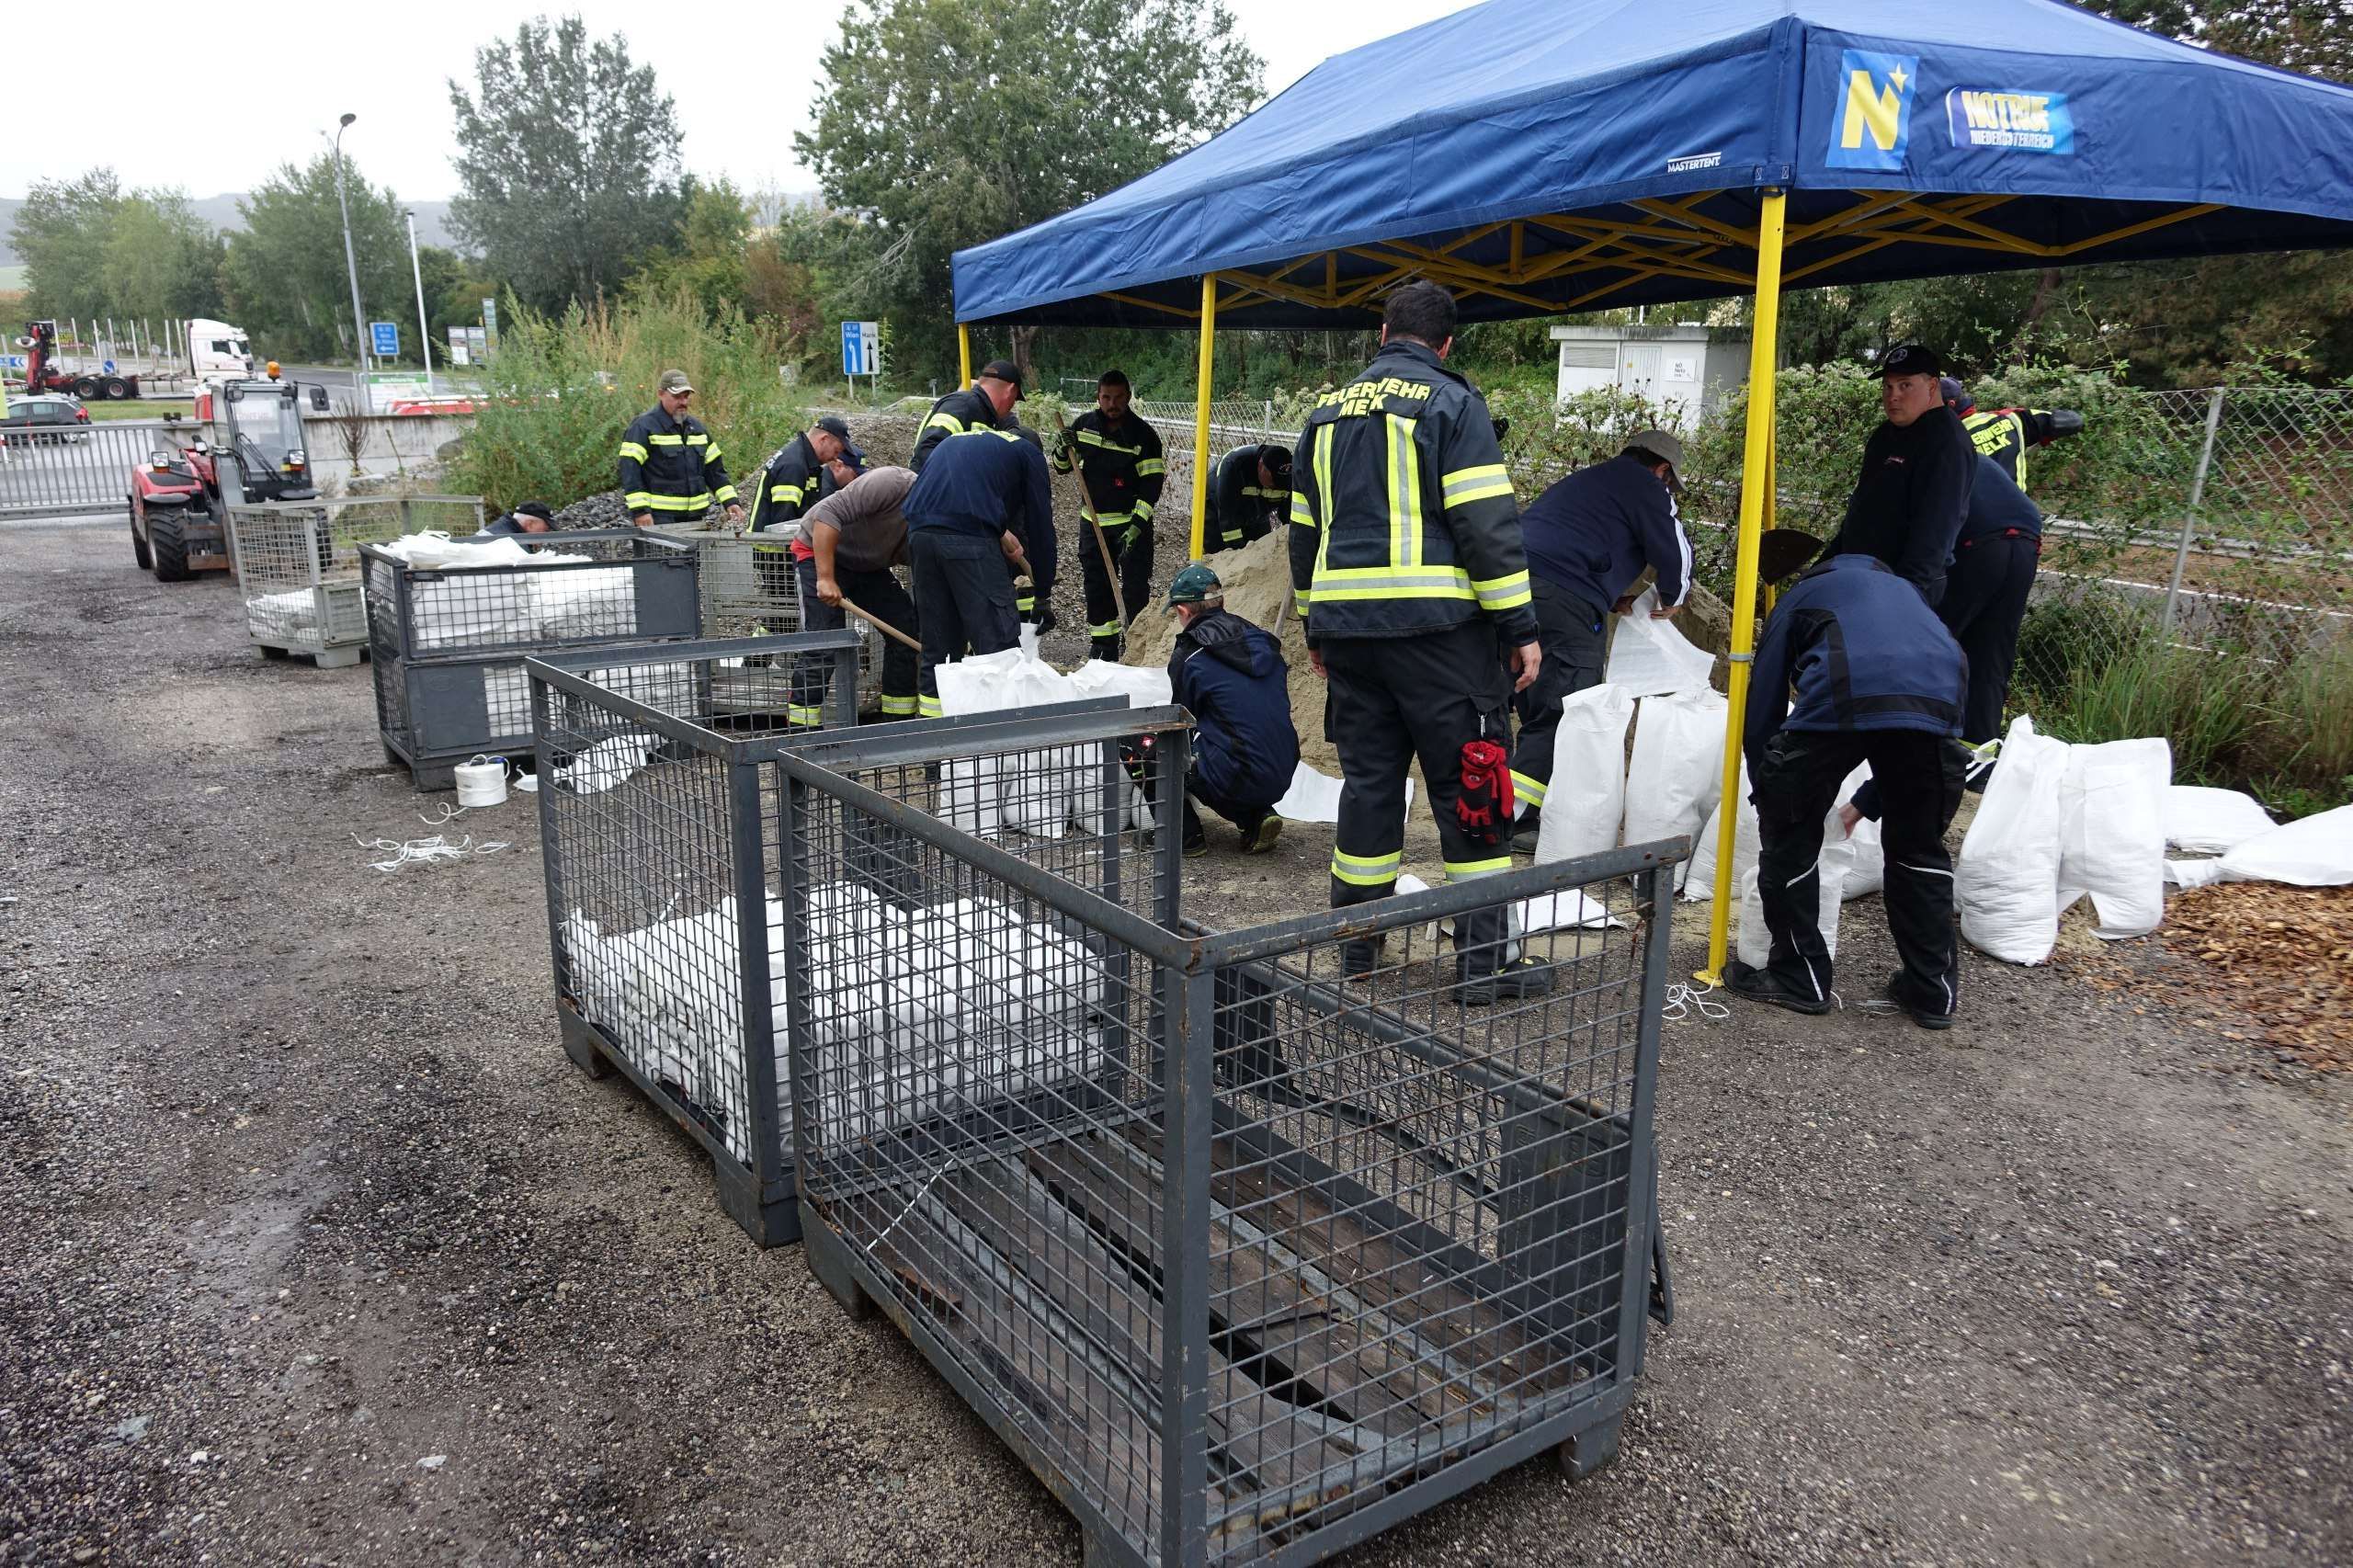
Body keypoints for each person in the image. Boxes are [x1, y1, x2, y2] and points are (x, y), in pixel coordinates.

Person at [1287, 279, 1549, 1002]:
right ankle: (1483, 966)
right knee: (1472, 782)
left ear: (1381, 334)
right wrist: (1520, 629)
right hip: (1440, 637)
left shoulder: (1326, 414)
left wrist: (1316, 624)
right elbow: (1486, 526)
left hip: (1349, 639)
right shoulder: (1452, 405)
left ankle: (1358, 950)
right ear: (1446, 344)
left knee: (1371, 789)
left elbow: (1303, 534)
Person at [1726, 553, 1969, 1029]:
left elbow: (1764, 705)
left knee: (1790, 841)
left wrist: (1770, 793)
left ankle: (1801, 978)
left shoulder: (1801, 597)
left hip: (1841, 693)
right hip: (1939, 701)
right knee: (1918, 850)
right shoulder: (1911, 600)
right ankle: (1931, 993)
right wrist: (1874, 799)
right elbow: (1920, 720)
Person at [1508, 427, 1694, 852]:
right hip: (1563, 602)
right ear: (1661, 469)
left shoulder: (1589, 481)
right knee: (1568, 709)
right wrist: (1675, 597)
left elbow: (1565, 542)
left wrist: (1607, 596)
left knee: (1533, 705)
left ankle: (1507, 809)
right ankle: (1511, 820)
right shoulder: (1645, 484)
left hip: (1513, 590)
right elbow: (1676, 552)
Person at [902, 427, 1057, 718]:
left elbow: (958, 499)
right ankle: (997, 753)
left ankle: (936, 755)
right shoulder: (1029, 453)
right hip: (969, 540)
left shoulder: (962, 441)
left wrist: (998, 530)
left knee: (939, 652)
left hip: (919, 536)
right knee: (998, 649)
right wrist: (1044, 593)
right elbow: (1040, 527)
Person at [1816, 345, 1974, 605]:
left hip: (1905, 588)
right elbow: (1861, 511)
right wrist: (1821, 569)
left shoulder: (1947, 442)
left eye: (1905, 386)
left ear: (1932, 386)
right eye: (1887, 387)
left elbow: (1935, 532)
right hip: (1861, 577)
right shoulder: (1884, 436)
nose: (1893, 396)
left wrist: (1905, 597)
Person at [1164, 563, 1298, 857]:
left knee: (1149, 747)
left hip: (1239, 773)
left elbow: (1181, 725)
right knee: (1231, 745)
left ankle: (1186, 838)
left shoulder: (1190, 654)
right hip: (1285, 768)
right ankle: (1256, 817)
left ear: (1184, 611)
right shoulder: (1260, 640)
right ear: (1222, 602)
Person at [784, 464, 922, 726]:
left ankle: (896, 727)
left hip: (867, 565)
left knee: (904, 631)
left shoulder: (939, 519)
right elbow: (826, 514)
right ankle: (801, 734)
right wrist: (825, 578)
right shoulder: (892, 483)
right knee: (823, 643)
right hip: (820, 550)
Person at [1052, 369, 1165, 658]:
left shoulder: (1144, 437)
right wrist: (1062, 450)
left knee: (1135, 587)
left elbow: (1151, 486)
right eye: (1106, 397)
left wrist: (1138, 524)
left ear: (1128, 397)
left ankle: (1135, 644)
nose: (1112, 404)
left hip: (1130, 527)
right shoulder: (1083, 427)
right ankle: (1103, 648)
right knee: (1097, 585)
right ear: (1098, 397)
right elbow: (1063, 468)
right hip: (1094, 525)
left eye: (1118, 398)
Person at [1937, 455, 2042, 750]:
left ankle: (1914, 742)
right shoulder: (1974, 459)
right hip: (2026, 542)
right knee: (1992, 654)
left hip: (1980, 543)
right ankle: (1978, 761)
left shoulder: (1921, 455)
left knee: (1930, 646)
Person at [747, 415, 856, 601]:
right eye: (836, 450)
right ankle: (769, 631)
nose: (836, 457)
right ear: (824, 439)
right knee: (786, 609)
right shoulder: (795, 466)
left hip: (777, 550)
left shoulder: (804, 461)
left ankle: (770, 630)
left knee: (785, 610)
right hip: (775, 553)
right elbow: (784, 520)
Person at [618, 369, 742, 528]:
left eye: (686, 396)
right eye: (677, 397)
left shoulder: (697, 429)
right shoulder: (643, 427)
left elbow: (715, 472)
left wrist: (731, 502)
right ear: (661, 394)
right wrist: (640, 511)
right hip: (658, 519)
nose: (683, 402)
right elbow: (629, 470)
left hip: (695, 519)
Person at [1944, 378, 2084, 492]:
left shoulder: (1944, 442)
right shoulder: (2011, 418)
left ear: (1950, 405)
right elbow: (2069, 421)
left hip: (1975, 522)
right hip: (2019, 517)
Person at [910, 359, 1023, 472]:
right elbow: (927, 451)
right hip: (930, 486)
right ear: (1010, 390)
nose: (1012, 405)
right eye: (1015, 398)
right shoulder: (962, 406)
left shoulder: (985, 414)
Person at [1207, 442, 1292, 553]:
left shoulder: (1291, 475)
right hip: (1217, 506)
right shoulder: (1234, 466)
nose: (1275, 488)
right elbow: (1228, 520)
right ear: (1261, 465)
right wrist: (1238, 554)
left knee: (1260, 550)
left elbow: (1288, 516)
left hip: (1256, 511)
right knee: (1219, 550)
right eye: (1273, 482)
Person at [479, 500, 553, 537]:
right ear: (530, 524)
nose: (545, 534)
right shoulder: (517, 546)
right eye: (545, 530)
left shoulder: (499, 527)